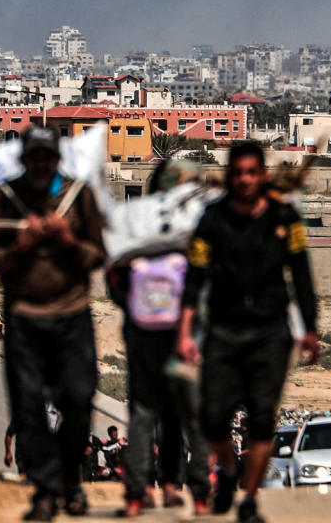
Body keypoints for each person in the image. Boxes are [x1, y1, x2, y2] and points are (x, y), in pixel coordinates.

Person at [177, 141, 320, 523]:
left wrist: (310, 328)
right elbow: (195, 277)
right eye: (237, 173)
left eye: (251, 173)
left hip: (271, 332)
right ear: (229, 177)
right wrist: (185, 331)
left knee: (261, 418)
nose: (243, 180)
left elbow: (301, 274)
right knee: (212, 417)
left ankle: (250, 500)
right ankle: (226, 471)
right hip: (223, 330)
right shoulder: (211, 219)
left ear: (263, 176)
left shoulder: (285, 218)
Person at [0, 125, 106, 521]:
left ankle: (70, 477)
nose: (40, 164)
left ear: (56, 159)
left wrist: (68, 240)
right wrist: (20, 246)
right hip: (25, 318)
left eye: (46, 157)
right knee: (29, 407)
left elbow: (97, 255)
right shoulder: (6, 198)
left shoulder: (77, 196)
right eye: (33, 157)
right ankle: (45, 491)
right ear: (24, 159)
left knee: (79, 398)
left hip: (72, 316)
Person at [107, 159, 211, 516]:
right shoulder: (196, 222)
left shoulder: (133, 222)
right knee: (187, 413)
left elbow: (114, 278)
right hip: (187, 333)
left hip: (142, 333)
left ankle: (137, 492)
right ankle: (191, 490)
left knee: (143, 411)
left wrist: (135, 311)